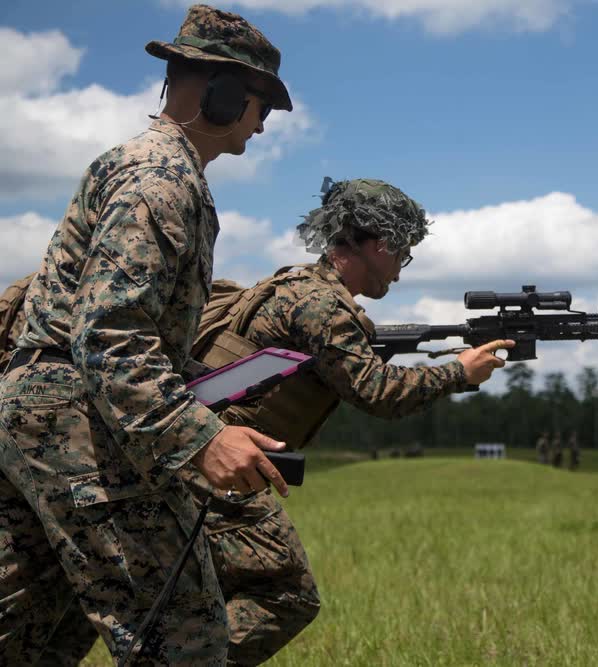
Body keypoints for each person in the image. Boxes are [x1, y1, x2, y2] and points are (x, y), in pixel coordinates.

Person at [0, 4, 294, 664]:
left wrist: (205, 385)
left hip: (40, 419)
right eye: (259, 105)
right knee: (183, 639)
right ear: (221, 92)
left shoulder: (144, 165)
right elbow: (110, 336)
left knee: (30, 638)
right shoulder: (161, 177)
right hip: (77, 427)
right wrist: (198, 436)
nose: (262, 125)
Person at [179, 177, 514, 661]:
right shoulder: (322, 305)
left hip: (200, 458)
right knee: (285, 594)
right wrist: (458, 373)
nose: (400, 273)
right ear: (378, 245)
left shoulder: (294, 284)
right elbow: (377, 392)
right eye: (402, 255)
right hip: (223, 469)